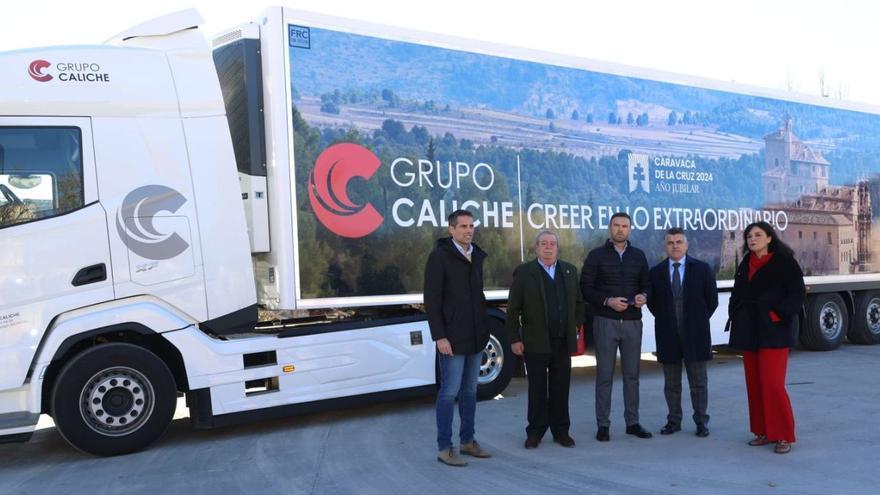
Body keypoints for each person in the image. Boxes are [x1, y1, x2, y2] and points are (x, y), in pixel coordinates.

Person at [728, 221, 805, 454]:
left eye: (758, 235)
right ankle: (762, 431)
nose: (752, 239)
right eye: (749, 236)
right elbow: (737, 292)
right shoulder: (745, 263)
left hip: (774, 331)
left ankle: (783, 435)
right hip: (749, 330)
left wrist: (777, 314)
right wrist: (734, 312)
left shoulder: (784, 263)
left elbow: (797, 294)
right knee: (754, 384)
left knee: (772, 384)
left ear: (770, 238)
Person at [424, 209, 492, 466]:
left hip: (475, 337)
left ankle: (467, 441)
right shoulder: (439, 258)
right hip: (451, 339)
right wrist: (440, 336)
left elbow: (478, 297)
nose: (468, 230)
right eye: (462, 226)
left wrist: (484, 329)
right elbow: (431, 300)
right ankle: (444, 447)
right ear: (451, 229)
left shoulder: (476, 256)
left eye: (471, 225)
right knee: (448, 392)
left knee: (470, 392)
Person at [507, 230, 585, 449]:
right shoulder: (524, 273)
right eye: (544, 244)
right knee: (537, 390)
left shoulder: (569, 271)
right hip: (535, 342)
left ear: (557, 248)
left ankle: (561, 431)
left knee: (561, 388)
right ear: (536, 248)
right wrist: (514, 338)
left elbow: (580, 304)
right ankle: (535, 432)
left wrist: (575, 325)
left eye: (552, 244)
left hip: (562, 342)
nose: (548, 247)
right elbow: (513, 310)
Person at [580, 212, 653, 441]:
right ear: (610, 228)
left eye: (624, 226)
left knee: (632, 376)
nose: (620, 229)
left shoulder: (639, 256)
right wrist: (608, 301)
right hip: (605, 322)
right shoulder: (596, 255)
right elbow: (586, 288)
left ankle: (632, 422)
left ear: (630, 229)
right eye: (616, 225)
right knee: (604, 375)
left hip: (632, 323)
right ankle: (603, 425)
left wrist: (644, 295)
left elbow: (647, 284)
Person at [647, 228, 718, 438]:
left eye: (679, 242)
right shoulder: (656, 272)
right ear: (665, 246)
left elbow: (711, 302)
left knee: (698, 383)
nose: (675, 246)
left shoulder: (703, 269)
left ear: (687, 245)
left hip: (695, 335)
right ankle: (673, 421)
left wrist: (696, 321)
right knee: (671, 384)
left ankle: (701, 422)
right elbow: (653, 304)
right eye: (670, 242)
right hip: (668, 335)